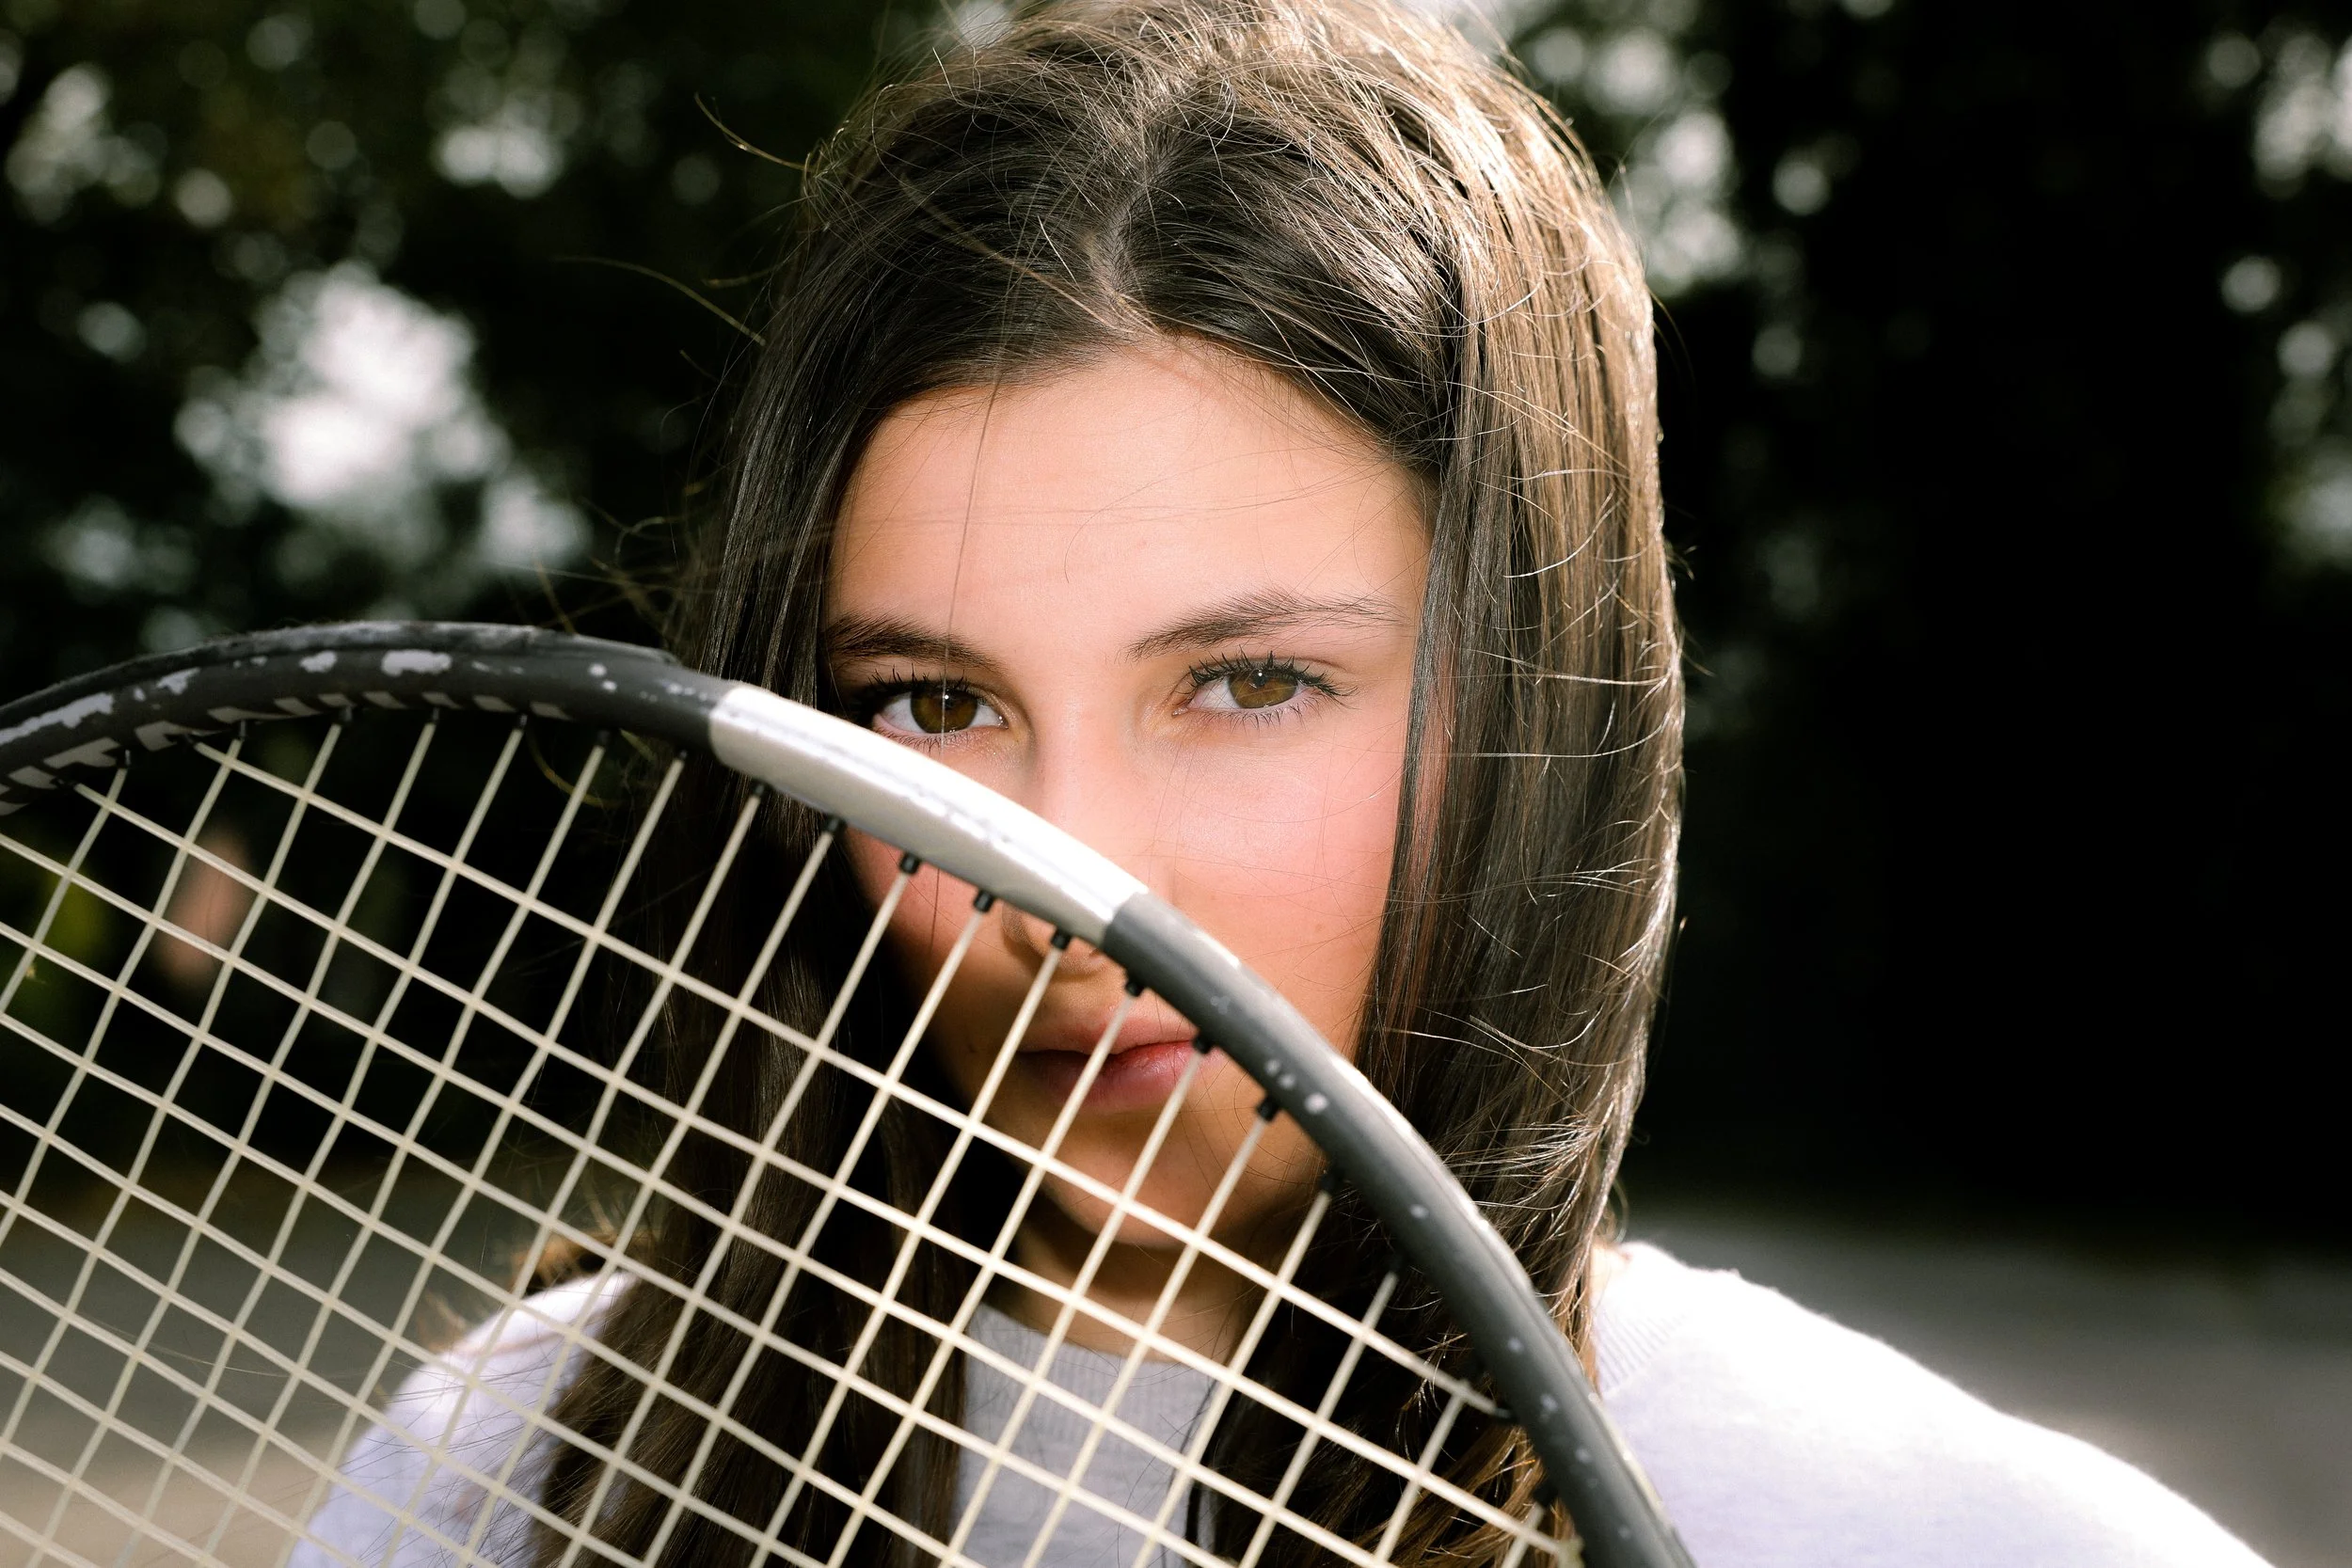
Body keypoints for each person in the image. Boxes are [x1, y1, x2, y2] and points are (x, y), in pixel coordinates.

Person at [296, 3, 2272, 1566]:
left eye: (1245, 682)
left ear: (1536, 711)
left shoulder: (1942, 1533)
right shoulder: (504, 1472)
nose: (1056, 874)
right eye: (926, 700)